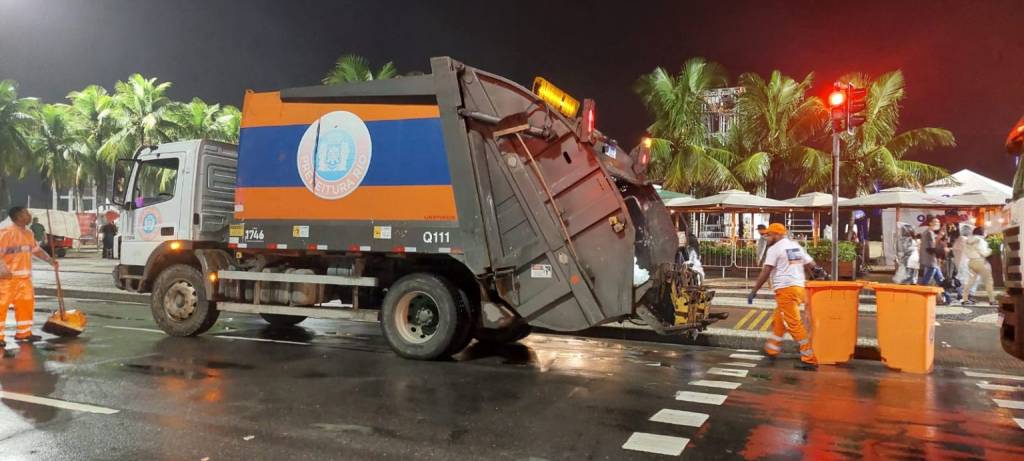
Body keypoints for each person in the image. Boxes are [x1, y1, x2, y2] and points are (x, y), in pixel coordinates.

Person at [747, 223, 821, 371]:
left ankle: (809, 358)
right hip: (799, 288)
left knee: (794, 324)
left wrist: (754, 290)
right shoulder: (794, 246)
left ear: (776, 235)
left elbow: (766, 271)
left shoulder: (775, 248)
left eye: (768, 235)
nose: (766, 238)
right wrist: (821, 273)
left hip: (785, 290)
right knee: (778, 320)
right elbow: (811, 264)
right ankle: (772, 350)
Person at [0, 206, 59, 347]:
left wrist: (50, 260)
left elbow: (35, 250)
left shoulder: (28, 233)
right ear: (19, 216)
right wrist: (2, 269)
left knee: (26, 305)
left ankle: (24, 333)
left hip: (24, 278)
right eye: (26, 213)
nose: (29, 215)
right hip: (6, 279)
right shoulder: (6, 232)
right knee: (1, 307)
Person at [918, 216, 952, 304]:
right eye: (935, 222)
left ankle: (948, 299)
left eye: (938, 222)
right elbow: (930, 248)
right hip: (931, 262)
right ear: (930, 223)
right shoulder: (929, 233)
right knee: (925, 282)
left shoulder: (928, 232)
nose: (937, 224)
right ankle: (919, 297)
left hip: (932, 262)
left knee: (941, 280)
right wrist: (943, 250)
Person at [963, 227, 996, 306]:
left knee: (970, 281)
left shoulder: (967, 241)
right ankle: (992, 300)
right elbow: (984, 253)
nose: (986, 234)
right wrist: (990, 250)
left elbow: (965, 251)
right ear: (982, 232)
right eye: (985, 232)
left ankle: (965, 299)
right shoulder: (981, 240)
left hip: (971, 262)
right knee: (988, 281)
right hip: (981, 262)